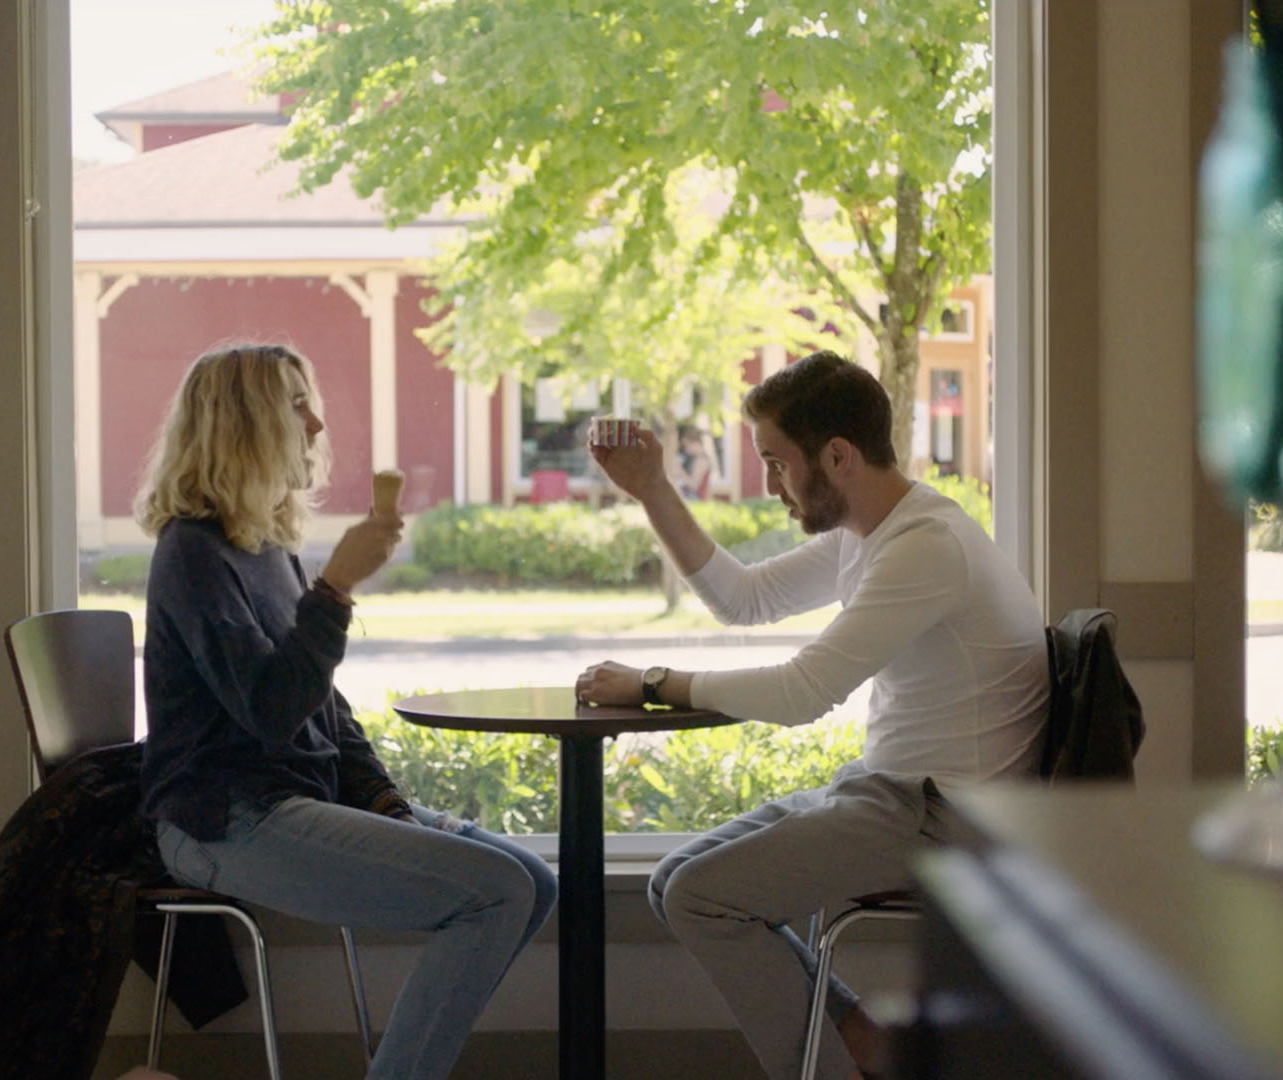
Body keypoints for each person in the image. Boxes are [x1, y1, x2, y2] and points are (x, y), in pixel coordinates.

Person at [575, 351, 1050, 1080]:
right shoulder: (870, 534)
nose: (772, 488)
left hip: (945, 813)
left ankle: (842, 1060)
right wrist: (652, 491)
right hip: (892, 791)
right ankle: (862, 1038)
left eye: (776, 463)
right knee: (676, 882)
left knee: (704, 899)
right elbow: (745, 600)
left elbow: (804, 693)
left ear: (837, 456)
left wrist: (654, 682)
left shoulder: (927, 547)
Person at [136, 344, 556, 1080]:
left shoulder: (262, 545)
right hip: (225, 819)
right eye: (296, 404)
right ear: (247, 422)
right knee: (500, 893)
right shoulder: (191, 555)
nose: (318, 422)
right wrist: (334, 589)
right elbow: (270, 711)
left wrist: (383, 800)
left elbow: (325, 709)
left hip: (292, 803)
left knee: (533, 882)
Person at [674, 424, 717, 500]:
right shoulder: (697, 458)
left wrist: (680, 471)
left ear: (693, 442)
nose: (685, 449)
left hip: (695, 500)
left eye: (685, 445)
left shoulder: (701, 460)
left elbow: (694, 486)